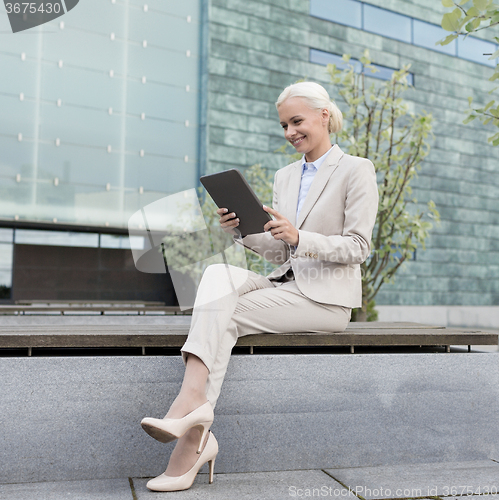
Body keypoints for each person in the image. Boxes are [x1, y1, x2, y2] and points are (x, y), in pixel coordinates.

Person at [140, 81, 379, 492]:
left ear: (325, 116)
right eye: (284, 124)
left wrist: (299, 236)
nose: (290, 132)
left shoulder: (357, 169)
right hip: (282, 285)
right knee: (217, 276)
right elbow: (280, 255)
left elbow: (358, 248)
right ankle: (193, 416)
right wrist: (243, 232)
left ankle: (190, 431)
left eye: (296, 121)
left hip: (324, 301)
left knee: (221, 315)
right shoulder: (284, 176)